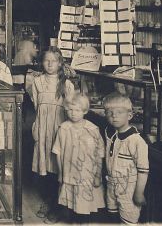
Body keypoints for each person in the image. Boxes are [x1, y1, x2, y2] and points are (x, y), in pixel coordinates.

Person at [31, 47, 75, 223]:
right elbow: (37, 105)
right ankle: (48, 201)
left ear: (60, 63)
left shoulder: (67, 85)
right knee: (45, 166)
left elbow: (71, 110)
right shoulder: (37, 82)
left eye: (54, 61)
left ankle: (58, 206)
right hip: (43, 130)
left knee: (58, 167)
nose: (49, 64)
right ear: (42, 63)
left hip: (60, 130)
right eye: (46, 60)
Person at [52, 93, 105, 224]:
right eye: (70, 109)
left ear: (85, 111)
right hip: (69, 174)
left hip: (87, 175)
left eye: (77, 110)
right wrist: (60, 173)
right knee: (72, 203)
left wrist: (98, 175)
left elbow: (99, 153)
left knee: (85, 205)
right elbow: (57, 152)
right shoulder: (63, 128)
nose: (73, 113)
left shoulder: (92, 129)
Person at [103, 92, 149, 225]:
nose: (114, 116)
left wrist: (139, 193)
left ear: (129, 115)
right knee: (112, 217)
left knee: (128, 220)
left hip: (129, 189)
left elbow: (143, 170)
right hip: (111, 184)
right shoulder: (110, 133)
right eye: (109, 112)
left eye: (119, 112)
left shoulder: (136, 141)